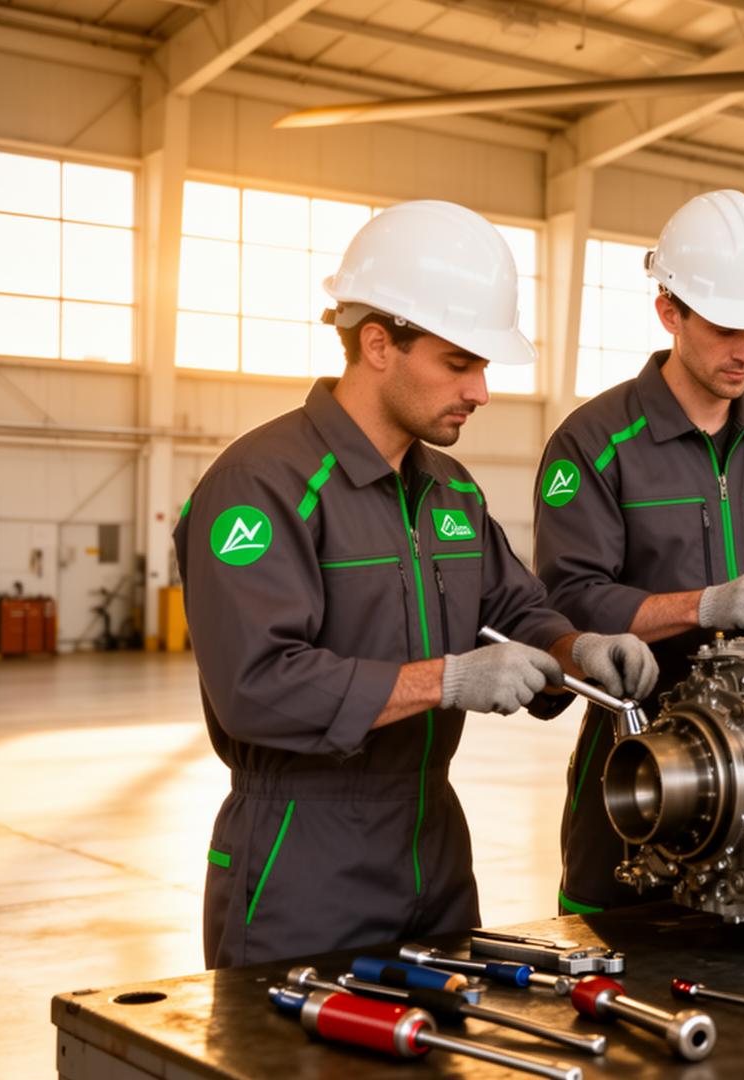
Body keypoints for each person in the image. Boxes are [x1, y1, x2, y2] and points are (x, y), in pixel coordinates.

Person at [176, 200, 657, 968]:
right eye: (459, 363)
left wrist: (579, 650)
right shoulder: (260, 486)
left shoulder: (451, 491)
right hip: (302, 855)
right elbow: (257, 686)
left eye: (483, 366)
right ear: (378, 344)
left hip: (433, 846)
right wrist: (450, 680)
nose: (481, 391)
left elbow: (515, 609)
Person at [535, 189, 744, 915]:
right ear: (669, 312)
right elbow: (567, 604)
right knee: (618, 949)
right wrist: (705, 606)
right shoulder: (594, 444)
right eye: (724, 329)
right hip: (642, 757)